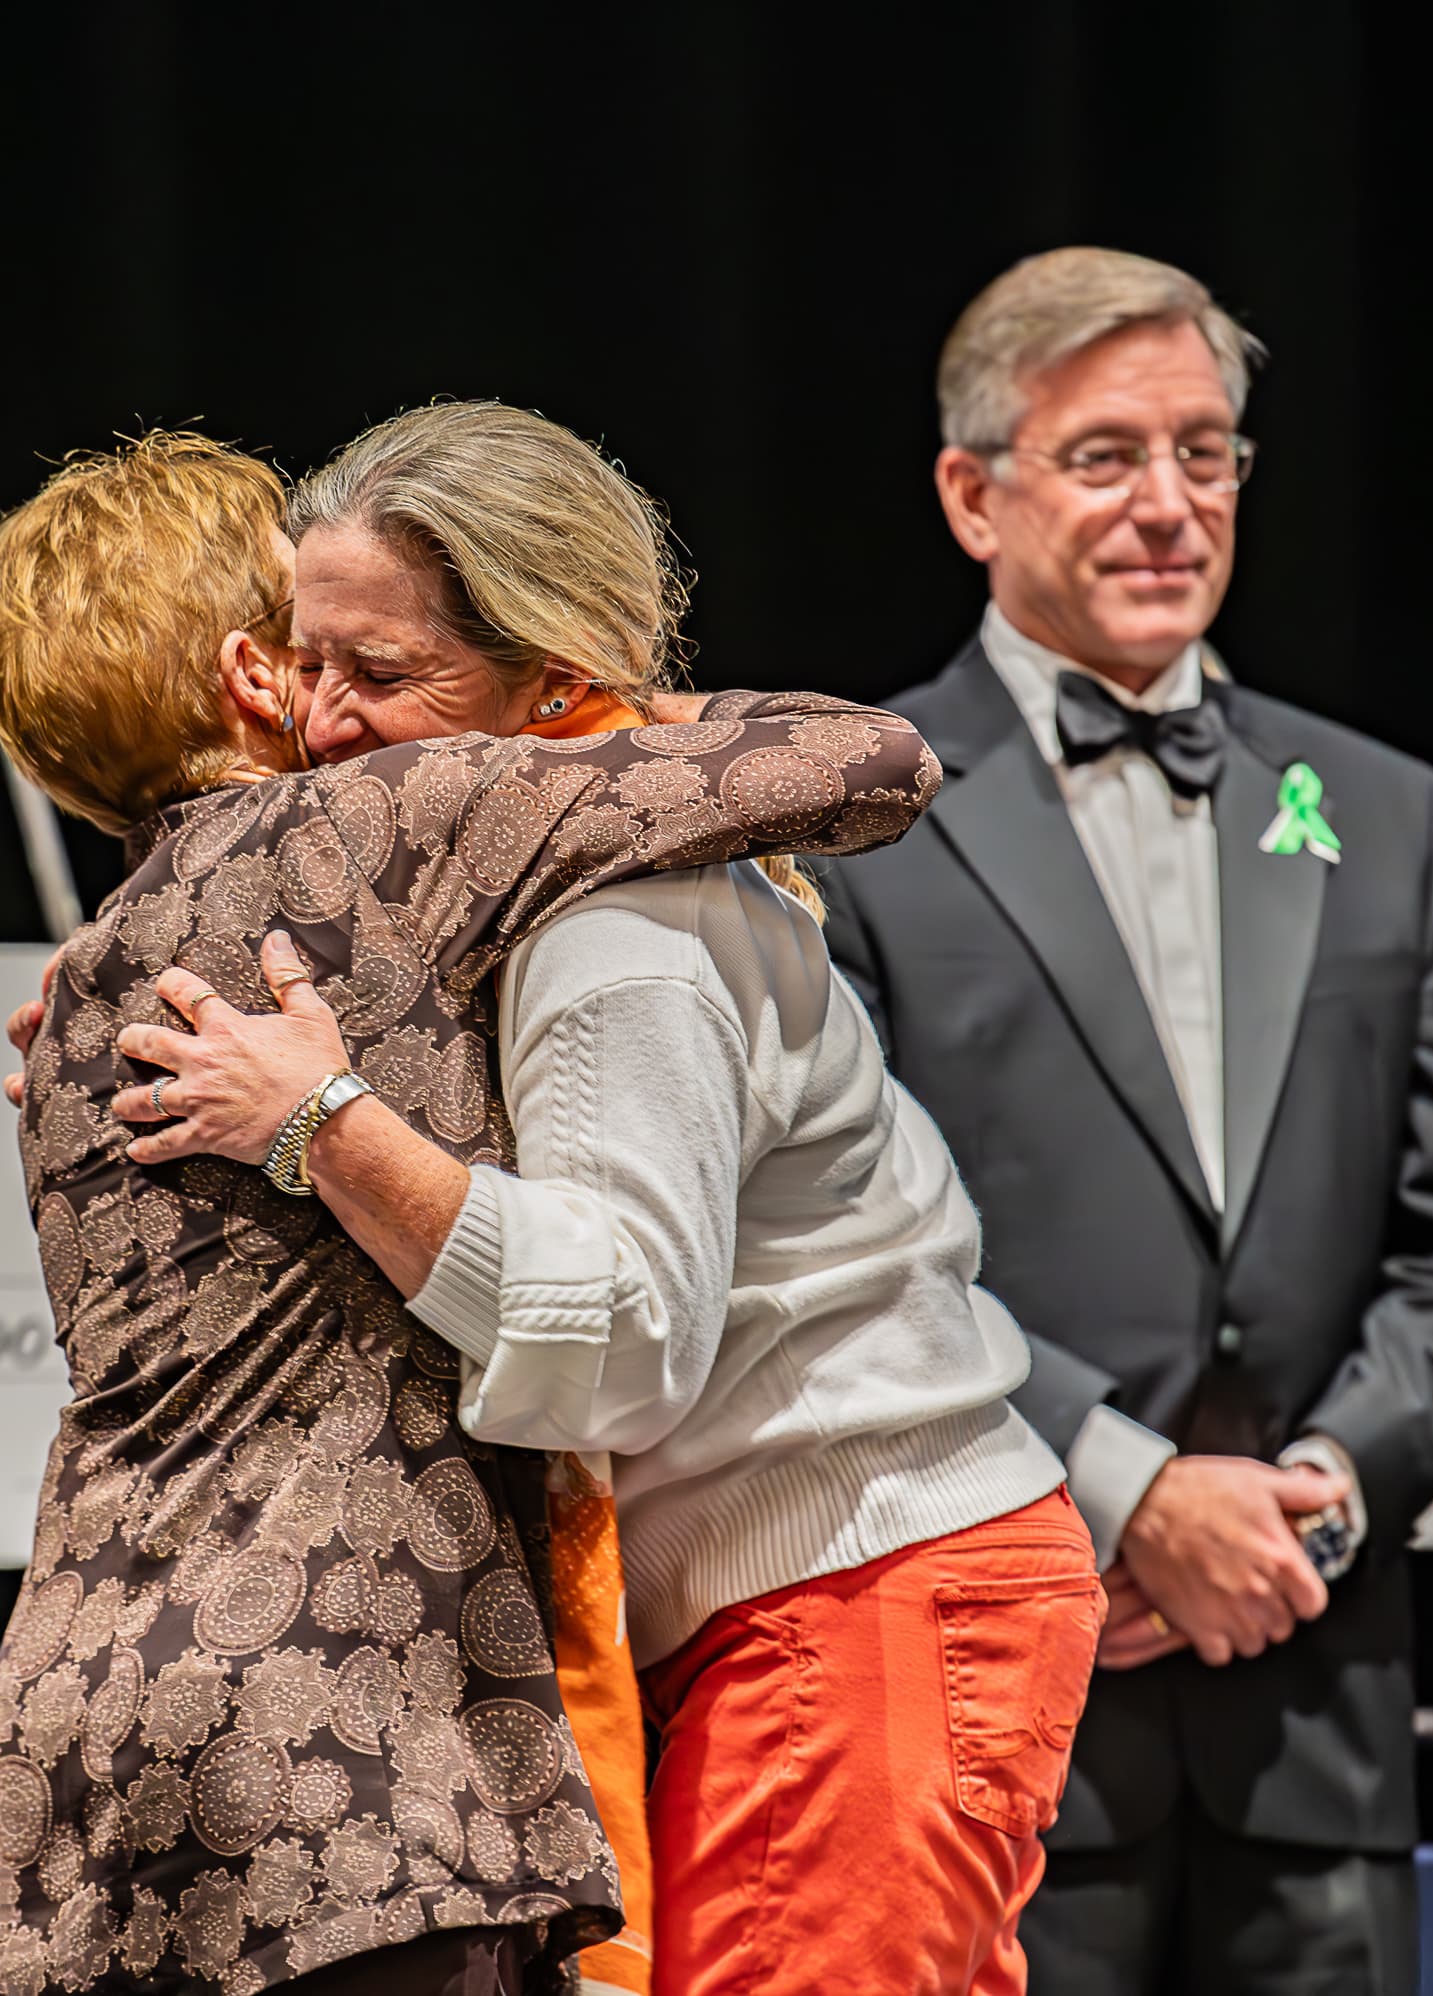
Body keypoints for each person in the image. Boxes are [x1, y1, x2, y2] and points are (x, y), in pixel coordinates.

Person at [114, 401, 1097, 1995]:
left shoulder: (619, 931)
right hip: (803, 1599)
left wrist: (317, 1127)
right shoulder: (500, 883)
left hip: (859, 1590)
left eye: (385, 673)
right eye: (306, 663)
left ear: (556, 681)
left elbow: (625, 1343)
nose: (323, 722)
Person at [813, 247, 1433, 1994]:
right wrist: (1131, 1496)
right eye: (1105, 456)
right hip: (998, 1712)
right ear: (971, 497)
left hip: (1316, 1715)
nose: (1169, 504)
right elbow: (835, 1255)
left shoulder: (1390, 813)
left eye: (1205, 453)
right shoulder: (847, 812)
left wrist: (1312, 1508)